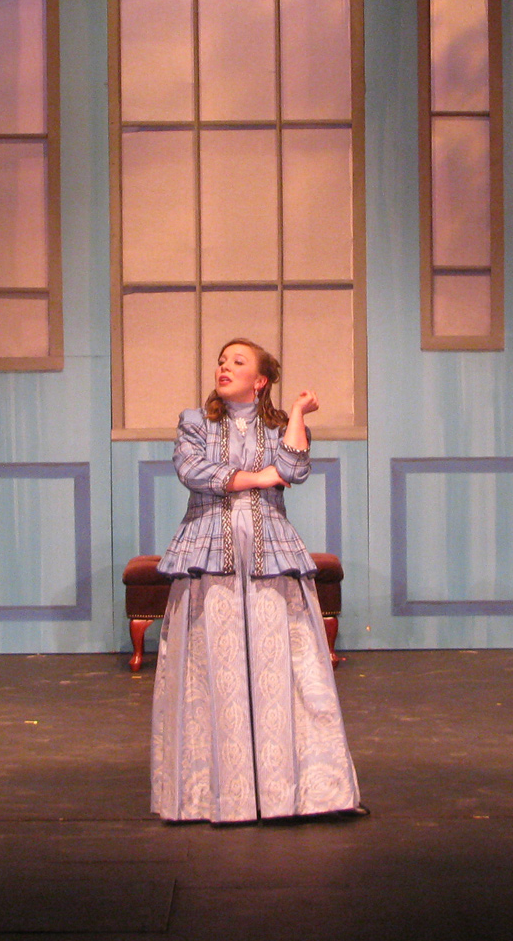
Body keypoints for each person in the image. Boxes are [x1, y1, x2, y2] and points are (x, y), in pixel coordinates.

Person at [150, 338, 361, 822]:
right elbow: (194, 471)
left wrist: (299, 415)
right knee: (214, 670)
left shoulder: (278, 425)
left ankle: (300, 794)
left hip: (269, 552)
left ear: (260, 380)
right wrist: (261, 477)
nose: (224, 368)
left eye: (237, 363)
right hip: (210, 551)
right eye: (222, 362)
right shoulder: (195, 422)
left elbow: (294, 469)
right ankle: (219, 795)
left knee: (281, 668)